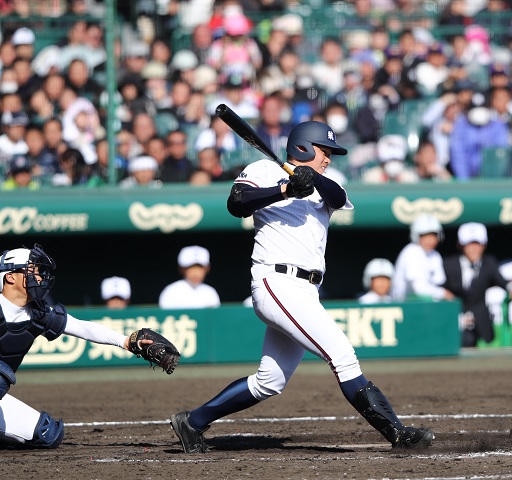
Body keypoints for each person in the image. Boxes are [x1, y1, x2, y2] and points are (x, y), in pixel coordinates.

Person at [170, 120, 434, 453]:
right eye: (325, 151)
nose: (329, 158)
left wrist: (310, 178)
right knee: (342, 355)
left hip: (306, 289)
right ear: (304, 147)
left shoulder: (328, 182)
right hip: (276, 281)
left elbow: (338, 197)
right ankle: (397, 433)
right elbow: (237, 202)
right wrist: (284, 190)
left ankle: (192, 422)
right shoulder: (265, 169)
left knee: (269, 382)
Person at [0, 244, 152, 448]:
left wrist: (126, 341)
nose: (39, 277)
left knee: (48, 433)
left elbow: (81, 327)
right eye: (32, 271)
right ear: (10, 277)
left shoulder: (38, 313)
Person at [442, 222, 512, 347]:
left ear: (484, 245)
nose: (473, 248)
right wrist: (457, 317)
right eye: (469, 244)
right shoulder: (448, 264)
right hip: (454, 324)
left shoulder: (489, 263)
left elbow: (503, 282)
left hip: (483, 326)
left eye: (477, 244)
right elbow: (439, 291)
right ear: (460, 245)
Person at [392, 214, 454, 302]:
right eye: (425, 236)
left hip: (425, 303)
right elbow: (418, 289)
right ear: (416, 236)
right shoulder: (411, 252)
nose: (430, 240)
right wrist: (443, 293)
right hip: (403, 303)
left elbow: (438, 283)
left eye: (433, 236)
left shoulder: (435, 255)